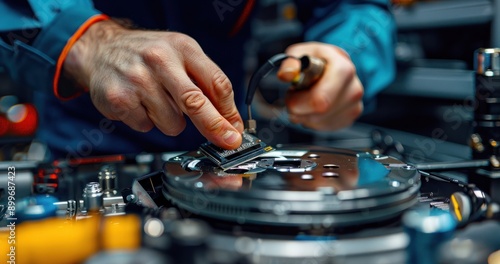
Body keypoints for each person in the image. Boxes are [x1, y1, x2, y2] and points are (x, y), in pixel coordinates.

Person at [0, 1, 396, 160]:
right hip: (92, 150)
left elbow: (355, 7)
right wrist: (89, 42)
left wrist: (345, 52)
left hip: (226, 168)